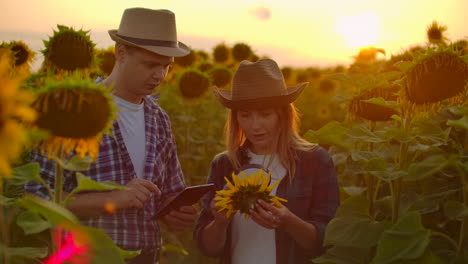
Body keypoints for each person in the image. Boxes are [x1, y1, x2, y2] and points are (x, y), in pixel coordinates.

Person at [25, 8, 197, 263]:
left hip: (148, 255)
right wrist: (111, 199)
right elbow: (35, 199)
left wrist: (176, 211)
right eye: (150, 64)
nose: (159, 75)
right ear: (121, 53)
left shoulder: (159, 119)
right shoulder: (73, 108)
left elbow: (170, 191)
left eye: (166, 67)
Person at [194, 59, 340, 264]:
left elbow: (327, 240)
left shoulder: (315, 161)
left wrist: (288, 221)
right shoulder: (225, 164)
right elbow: (207, 248)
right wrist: (219, 222)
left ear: (283, 115)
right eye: (245, 115)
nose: (255, 125)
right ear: (236, 119)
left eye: (265, 114)